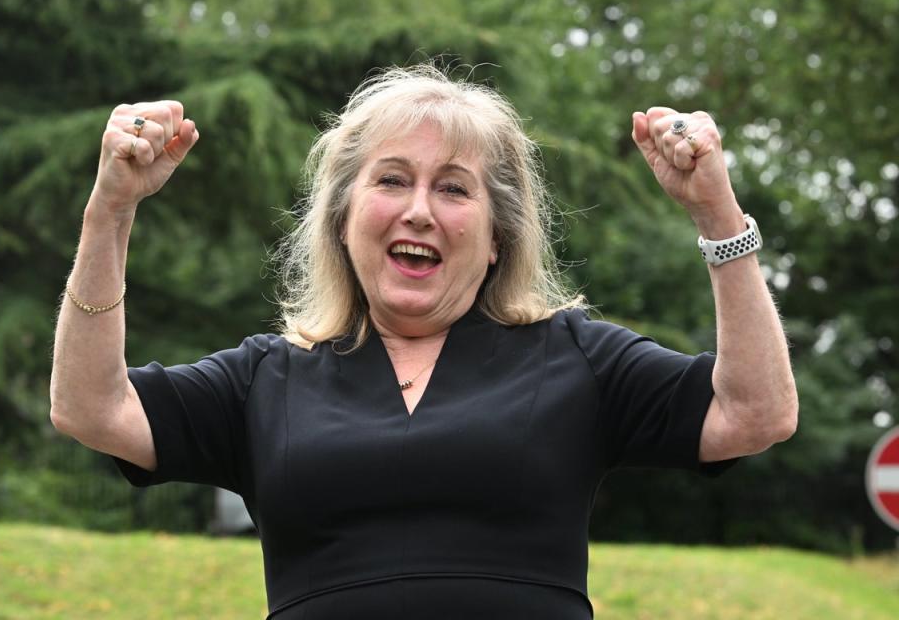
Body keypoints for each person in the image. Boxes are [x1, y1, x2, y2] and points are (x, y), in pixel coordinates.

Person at [50, 65, 798, 619]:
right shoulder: (267, 378)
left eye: (453, 187)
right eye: (392, 181)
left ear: (499, 236)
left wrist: (717, 216)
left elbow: (755, 414)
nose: (419, 211)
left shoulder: (574, 357)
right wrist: (110, 211)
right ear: (344, 220)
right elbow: (92, 408)